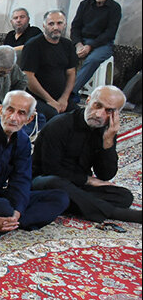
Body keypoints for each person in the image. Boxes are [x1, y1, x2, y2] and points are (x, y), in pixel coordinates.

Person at [0, 91, 69, 236]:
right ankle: (4, 220)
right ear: (1, 110)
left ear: (29, 119)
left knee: (60, 198)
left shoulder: (22, 140)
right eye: (10, 110)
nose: (13, 118)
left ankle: (10, 222)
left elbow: (21, 180)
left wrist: (17, 212)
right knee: (2, 207)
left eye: (21, 113)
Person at [32, 85, 141, 223]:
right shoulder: (59, 125)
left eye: (109, 111)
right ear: (88, 100)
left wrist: (108, 142)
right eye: (97, 105)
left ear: (116, 114)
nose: (99, 114)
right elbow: (51, 170)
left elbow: (105, 175)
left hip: (76, 186)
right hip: (44, 181)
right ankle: (115, 213)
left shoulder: (106, 131)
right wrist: (88, 180)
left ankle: (73, 203)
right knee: (54, 182)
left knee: (124, 196)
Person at [71, 0, 122, 100]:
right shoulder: (84, 4)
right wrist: (78, 44)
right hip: (82, 41)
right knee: (61, 55)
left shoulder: (115, 8)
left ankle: (70, 92)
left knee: (93, 60)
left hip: (103, 44)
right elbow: (75, 27)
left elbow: (110, 33)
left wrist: (90, 46)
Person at [21, 10, 77, 122]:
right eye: (51, 24)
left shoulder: (68, 45)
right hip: (37, 98)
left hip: (61, 97)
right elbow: (28, 77)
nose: (55, 27)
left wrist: (64, 98)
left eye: (59, 23)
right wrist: (50, 100)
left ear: (65, 25)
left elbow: (71, 73)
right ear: (44, 25)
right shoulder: (33, 45)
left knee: (79, 116)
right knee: (56, 119)